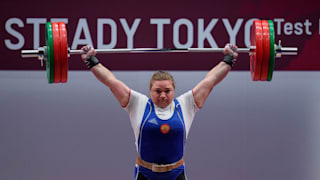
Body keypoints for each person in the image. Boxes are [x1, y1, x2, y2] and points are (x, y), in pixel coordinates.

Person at [80, 44, 238, 180]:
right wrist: (91, 60)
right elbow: (111, 81)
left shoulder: (186, 104)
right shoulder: (138, 103)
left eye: (167, 90)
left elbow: (210, 81)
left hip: (176, 174)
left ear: (174, 90)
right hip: (145, 174)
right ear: (150, 91)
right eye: (158, 91)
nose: (163, 95)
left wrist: (228, 59)